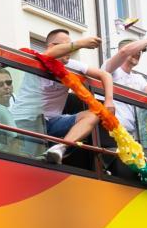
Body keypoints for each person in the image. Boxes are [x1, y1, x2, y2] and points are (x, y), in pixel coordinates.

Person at [15, 27, 113, 162]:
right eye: (67, 45)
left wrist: (109, 101)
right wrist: (81, 44)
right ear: (51, 45)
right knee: (24, 163)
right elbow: (49, 54)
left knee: (95, 113)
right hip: (26, 120)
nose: (71, 50)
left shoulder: (73, 65)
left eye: (71, 45)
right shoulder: (38, 59)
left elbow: (105, 75)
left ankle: (60, 148)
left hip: (52, 122)